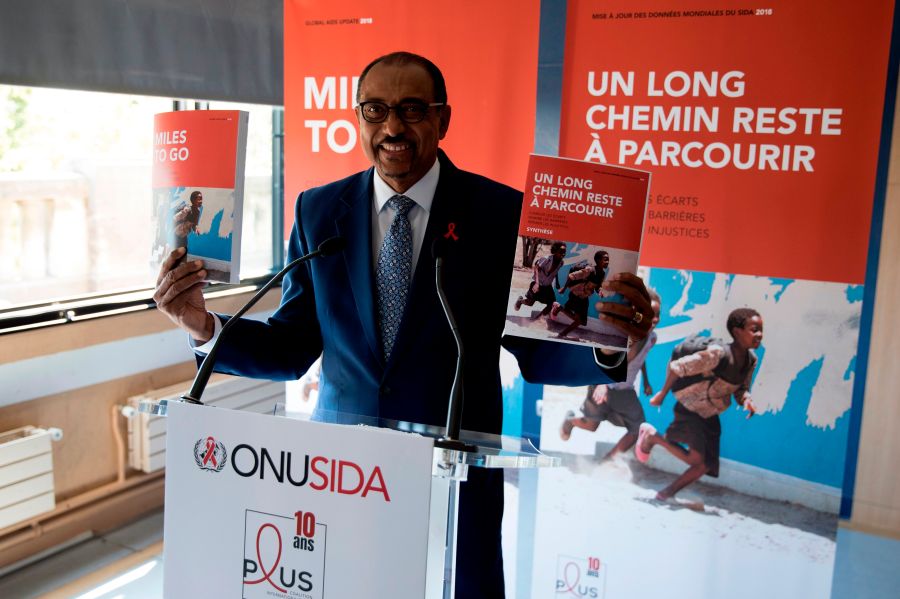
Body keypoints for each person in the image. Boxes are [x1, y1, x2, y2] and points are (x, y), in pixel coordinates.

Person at [153, 51, 653, 598]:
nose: (393, 126)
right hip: (342, 476)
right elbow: (293, 344)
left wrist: (609, 344)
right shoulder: (320, 210)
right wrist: (203, 325)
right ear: (359, 117)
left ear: (443, 120)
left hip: (455, 474)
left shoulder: (501, 214)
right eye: (376, 110)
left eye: (413, 109)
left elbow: (535, 351)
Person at [634, 307, 763, 501]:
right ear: (737, 332)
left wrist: (747, 400)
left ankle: (666, 493)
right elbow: (679, 367)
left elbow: (741, 389)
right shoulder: (717, 354)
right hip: (690, 407)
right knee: (697, 461)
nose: (759, 335)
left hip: (710, 412)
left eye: (761, 329)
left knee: (706, 465)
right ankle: (652, 437)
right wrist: (662, 394)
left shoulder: (751, 360)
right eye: (754, 329)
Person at [560, 290, 661, 460]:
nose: (655, 319)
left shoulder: (652, 337)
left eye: (658, 314)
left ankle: (607, 462)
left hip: (624, 390)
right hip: (604, 384)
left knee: (638, 428)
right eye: (651, 314)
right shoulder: (624, 333)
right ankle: (571, 420)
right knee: (592, 425)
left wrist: (646, 381)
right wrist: (602, 384)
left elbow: (640, 358)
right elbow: (607, 358)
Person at [513, 241, 566, 318]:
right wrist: (537, 283)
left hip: (547, 287)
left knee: (551, 304)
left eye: (564, 252)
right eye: (561, 252)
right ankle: (520, 301)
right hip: (538, 284)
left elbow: (555, 272)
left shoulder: (561, 263)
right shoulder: (546, 259)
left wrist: (557, 282)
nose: (563, 254)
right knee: (530, 303)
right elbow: (536, 268)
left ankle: (537, 320)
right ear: (555, 250)